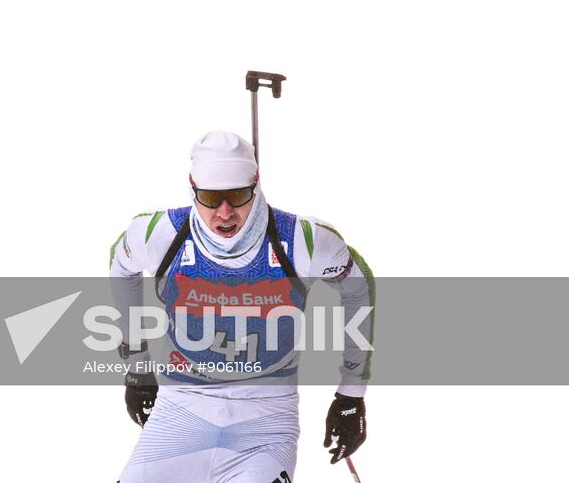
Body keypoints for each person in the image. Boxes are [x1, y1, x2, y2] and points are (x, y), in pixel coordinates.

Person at [106, 130, 374, 482]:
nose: (225, 212)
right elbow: (120, 265)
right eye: (210, 197)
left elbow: (358, 286)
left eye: (237, 195)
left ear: (256, 184)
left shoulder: (304, 241)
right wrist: (137, 367)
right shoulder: (159, 234)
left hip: (265, 417)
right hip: (182, 408)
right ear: (192, 188)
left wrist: (351, 396)